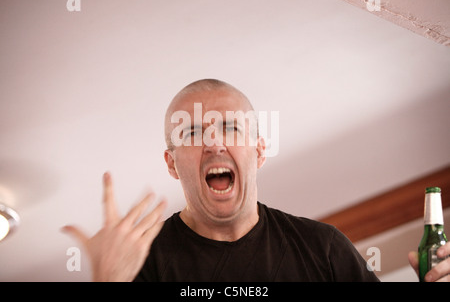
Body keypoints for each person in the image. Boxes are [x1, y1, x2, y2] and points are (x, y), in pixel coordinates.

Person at [63, 79, 449, 282]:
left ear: (259, 151)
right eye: (193, 133)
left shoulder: (324, 248)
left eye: (231, 128)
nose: (214, 143)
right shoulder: (142, 263)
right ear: (171, 163)